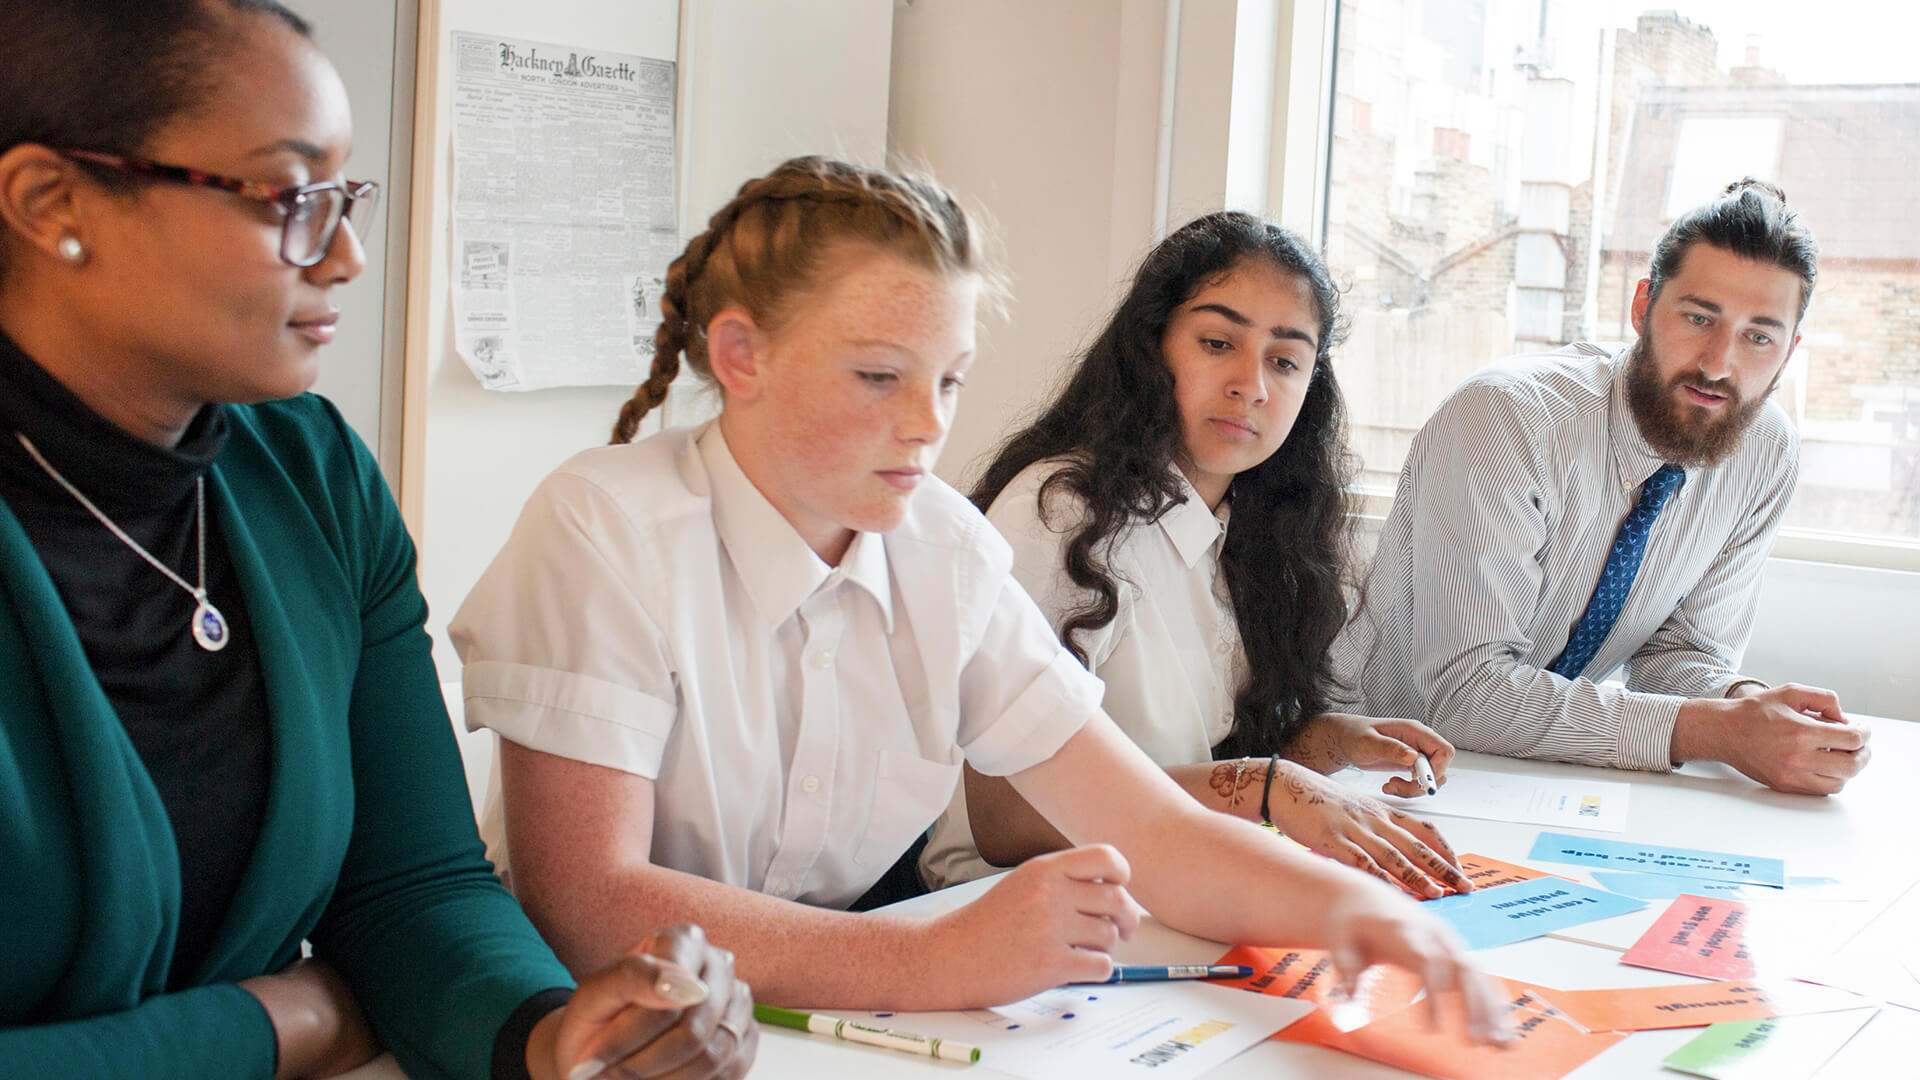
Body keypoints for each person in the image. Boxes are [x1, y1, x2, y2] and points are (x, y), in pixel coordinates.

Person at [450, 155, 1507, 1040]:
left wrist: (1362, 913)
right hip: (599, 1028)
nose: (926, 426)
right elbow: (586, 902)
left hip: (805, 1021)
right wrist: (937, 956)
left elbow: (1152, 826)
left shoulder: (941, 548)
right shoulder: (604, 523)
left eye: (948, 381)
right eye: (879, 378)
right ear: (742, 356)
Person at [0, 3, 753, 1078]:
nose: (347, 255)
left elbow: (413, 883)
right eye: (289, 197)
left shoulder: (307, 472)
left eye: (344, 196)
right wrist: (282, 1025)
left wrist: (552, 1034)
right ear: (51, 201)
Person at [916, 212, 1471, 900]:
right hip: (1002, 905)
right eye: (1217, 342)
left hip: (1155, 886)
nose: (1252, 384)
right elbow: (1004, 820)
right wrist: (1263, 788)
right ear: (1152, 349)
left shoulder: (1252, 533)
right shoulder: (1063, 508)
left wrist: (1326, 745)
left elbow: (1191, 764)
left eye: (1285, 361)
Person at [1329, 179, 1872, 797]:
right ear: (1642, 307)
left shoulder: (1764, 453)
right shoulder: (1506, 419)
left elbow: (1679, 653)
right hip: (1365, 767)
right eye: (1699, 318)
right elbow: (1461, 691)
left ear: (1788, 352)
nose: (1720, 363)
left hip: (1538, 781)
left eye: (1758, 336)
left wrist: (1752, 711)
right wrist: (1715, 732)